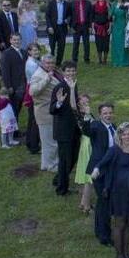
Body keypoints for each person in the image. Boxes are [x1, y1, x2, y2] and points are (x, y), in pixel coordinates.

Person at [92, 122, 129, 258]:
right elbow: (102, 163)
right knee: (120, 224)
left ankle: (126, 253)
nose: (127, 136)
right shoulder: (115, 150)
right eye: (124, 134)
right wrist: (96, 170)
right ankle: (119, 256)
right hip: (119, 193)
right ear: (119, 135)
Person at [83, 102, 117, 245]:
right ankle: (104, 236)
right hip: (98, 171)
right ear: (100, 115)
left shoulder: (115, 127)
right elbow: (87, 131)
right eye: (105, 113)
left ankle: (100, 230)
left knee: (104, 202)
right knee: (104, 201)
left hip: (111, 170)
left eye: (110, 113)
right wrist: (86, 117)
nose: (108, 115)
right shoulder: (96, 126)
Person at [50, 61, 80, 196]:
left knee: (73, 158)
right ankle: (62, 189)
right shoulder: (59, 88)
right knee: (65, 161)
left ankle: (58, 179)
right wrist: (59, 102)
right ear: (63, 72)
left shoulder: (74, 85)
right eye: (68, 71)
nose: (71, 73)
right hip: (63, 131)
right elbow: (52, 110)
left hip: (74, 129)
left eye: (73, 71)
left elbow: (74, 107)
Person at [29, 54, 60, 171]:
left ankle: (46, 163)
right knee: (49, 143)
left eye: (52, 63)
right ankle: (51, 166)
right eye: (47, 63)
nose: (50, 65)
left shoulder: (52, 72)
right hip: (44, 113)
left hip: (52, 112)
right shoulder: (38, 75)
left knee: (50, 141)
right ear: (42, 63)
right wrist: (47, 79)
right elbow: (32, 91)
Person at [75, 94, 95, 214]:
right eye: (84, 103)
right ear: (78, 104)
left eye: (88, 102)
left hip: (90, 142)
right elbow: (85, 129)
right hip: (87, 144)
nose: (86, 105)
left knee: (88, 176)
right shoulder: (79, 115)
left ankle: (83, 202)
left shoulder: (88, 113)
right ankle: (86, 206)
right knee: (89, 177)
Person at [0, 32, 27, 123]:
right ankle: (14, 131)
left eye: (18, 40)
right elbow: (5, 72)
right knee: (14, 109)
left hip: (23, 84)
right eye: (14, 40)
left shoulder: (24, 52)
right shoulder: (6, 54)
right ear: (10, 40)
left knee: (18, 108)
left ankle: (15, 129)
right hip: (14, 86)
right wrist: (9, 86)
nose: (16, 41)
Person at [23, 43, 42, 154]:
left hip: (31, 89)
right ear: (29, 52)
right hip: (33, 91)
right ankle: (34, 146)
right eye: (34, 50)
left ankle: (30, 142)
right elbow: (38, 77)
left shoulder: (34, 61)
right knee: (35, 120)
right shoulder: (31, 64)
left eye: (38, 50)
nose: (37, 52)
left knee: (32, 119)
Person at [46, 0, 71, 65]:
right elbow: (47, 16)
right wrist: (49, 26)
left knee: (61, 47)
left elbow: (70, 15)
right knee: (52, 47)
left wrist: (68, 20)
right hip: (53, 29)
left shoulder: (67, 4)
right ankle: (51, 63)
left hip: (62, 28)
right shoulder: (51, 3)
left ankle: (58, 63)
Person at [70, 0, 92, 64]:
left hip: (85, 26)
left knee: (86, 44)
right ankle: (74, 59)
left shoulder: (88, 3)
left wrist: (90, 26)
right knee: (76, 44)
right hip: (76, 26)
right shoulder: (71, 4)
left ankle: (86, 59)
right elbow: (69, 16)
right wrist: (71, 26)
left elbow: (90, 15)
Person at [109, 0, 129, 67]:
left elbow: (127, 16)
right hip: (116, 26)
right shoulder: (113, 4)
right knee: (116, 44)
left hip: (123, 25)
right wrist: (111, 15)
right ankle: (116, 61)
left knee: (123, 43)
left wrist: (127, 26)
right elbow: (109, 16)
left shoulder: (125, 4)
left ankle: (124, 61)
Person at [91, 0, 110, 65]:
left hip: (106, 27)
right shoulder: (94, 6)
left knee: (106, 44)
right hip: (97, 27)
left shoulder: (108, 5)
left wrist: (110, 28)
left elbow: (110, 18)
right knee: (98, 43)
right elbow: (92, 18)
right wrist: (92, 28)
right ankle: (100, 60)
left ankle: (105, 60)